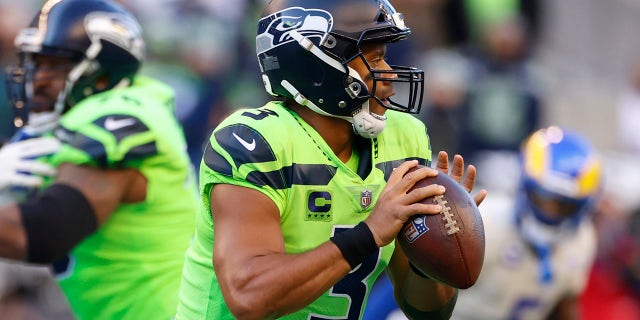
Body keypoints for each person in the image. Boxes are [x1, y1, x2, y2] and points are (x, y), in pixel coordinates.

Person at [176, 0, 487, 319]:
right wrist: (369, 233)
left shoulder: (404, 137)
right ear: (318, 66)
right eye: (375, 57)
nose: (390, 74)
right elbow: (249, 296)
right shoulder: (253, 143)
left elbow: (427, 312)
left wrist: (435, 250)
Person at [0, 0, 197, 319]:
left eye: (54, 65)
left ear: (102, 75)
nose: (37, 79)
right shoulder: (83, 118)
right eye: (35, 63)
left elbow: (45, 230)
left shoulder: (120, 116)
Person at [451, 126, 602, 319]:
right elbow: (424, 294)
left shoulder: (582, 239)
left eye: (564, 205)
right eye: (542, 198)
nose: (551, 212)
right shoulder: (485, 222)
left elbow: (564, 304)